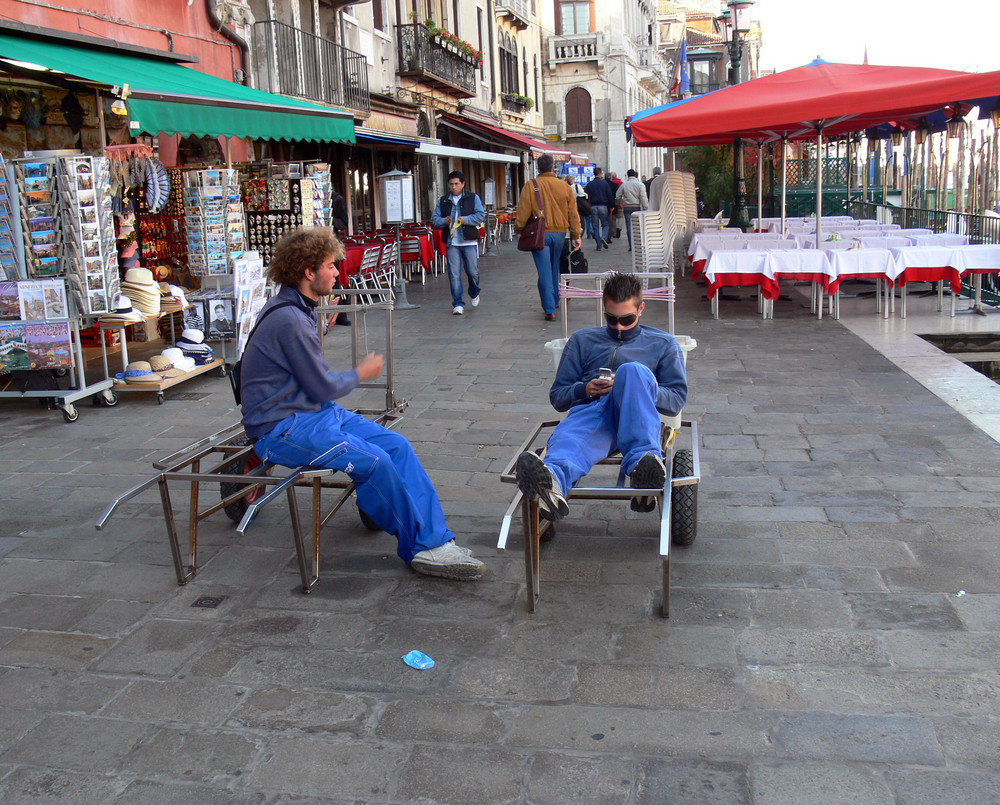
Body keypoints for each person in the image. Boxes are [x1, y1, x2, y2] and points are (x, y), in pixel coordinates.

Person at [239, 227, 485, 581]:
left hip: (313, 412)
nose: (337, 272)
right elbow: (322, 385)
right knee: (376, 461)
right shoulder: (290, 318)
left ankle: (434, 539)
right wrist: (361, 372)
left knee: (397, 445)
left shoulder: (297, 308)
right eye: (330, 266)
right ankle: (421, 548)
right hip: (282, 427)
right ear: (308, 272)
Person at [515, 272, 688, 520]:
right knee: (571, 438)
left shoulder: (663, 344)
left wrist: (635, 386)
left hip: (637, 414)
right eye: (611, 319)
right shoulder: (582, 340)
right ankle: (551, 484)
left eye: (627, 319)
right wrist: (585, 389)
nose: (619, 327)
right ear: (604, 309)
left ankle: (643, 466)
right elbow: (558, 396)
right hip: (594, 413)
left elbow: (676, 399)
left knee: (633, 371)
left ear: (641, 309)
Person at [515, 154, 581, 321]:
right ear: (553, 168)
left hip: (539, 234)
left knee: (544, 271)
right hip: (560, 233)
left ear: (538, 168)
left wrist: (519, 229)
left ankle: (550, 308)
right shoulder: (565, 186)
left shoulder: (531, 186)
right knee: (554, 267)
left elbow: (523, 211)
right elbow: (573, 213)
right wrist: (576, 234)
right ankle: (555, 299)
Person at [431, 170, 485, 315]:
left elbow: (480, 215)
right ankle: (458, 302)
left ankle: (474, 291)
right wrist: (444, 221)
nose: (454, 187)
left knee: (472, 271)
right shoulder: (443, 201)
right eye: (451, 184)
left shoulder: (472, 198)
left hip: (468, 240)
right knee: (454, 273)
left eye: (456, 184)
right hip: (452, 242)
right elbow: (435, 219)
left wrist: (465, 219)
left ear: (463, 184)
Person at [330, 187, 351, 326]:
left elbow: (344, 223)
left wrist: (330, 220)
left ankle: (339, 314)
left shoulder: (337, 200)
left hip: (332, 244)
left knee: (334, 281)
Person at [615, 169, 649, 252]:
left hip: (627, 207)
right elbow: (643, 197)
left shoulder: (624, 185)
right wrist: (645, 207)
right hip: (636, 207)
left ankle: (631, 245)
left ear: (627, 175)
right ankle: (638, 244)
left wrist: (619, 203)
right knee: (637, 227)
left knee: (629, 227)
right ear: (635, 175)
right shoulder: (640, 185)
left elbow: (617, 196)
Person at [585, 167, 615, 250]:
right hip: (603, 206)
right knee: (605, 224)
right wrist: (612, 205)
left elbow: (586, 195)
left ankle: (599, 245)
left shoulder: (590, 184)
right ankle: (604, 237)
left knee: (595, 226)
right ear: (600, 174)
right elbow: (609, 195)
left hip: (593, 206)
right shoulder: (605, 183)